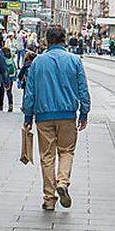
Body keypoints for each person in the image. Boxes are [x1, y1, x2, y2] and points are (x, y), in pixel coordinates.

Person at [22, 25, 91, 210]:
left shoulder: (37, 62)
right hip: (68, 115)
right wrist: (84, 113)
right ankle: (63, 182)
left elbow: (30, 92)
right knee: (66, 151)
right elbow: (83, 89)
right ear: (64, 39)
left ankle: (49, 199)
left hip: (43, 116)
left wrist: (28, 116)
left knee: (47, 156)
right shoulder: (74, 60)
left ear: (47, 41)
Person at [0, 47, 16, 112]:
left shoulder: (2, 59)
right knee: (9, 92)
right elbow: (15, 68)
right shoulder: (11, 59)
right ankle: (10, 105)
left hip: (2, 77)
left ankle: (1, 106)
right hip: (10, 77)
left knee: (1, 92)